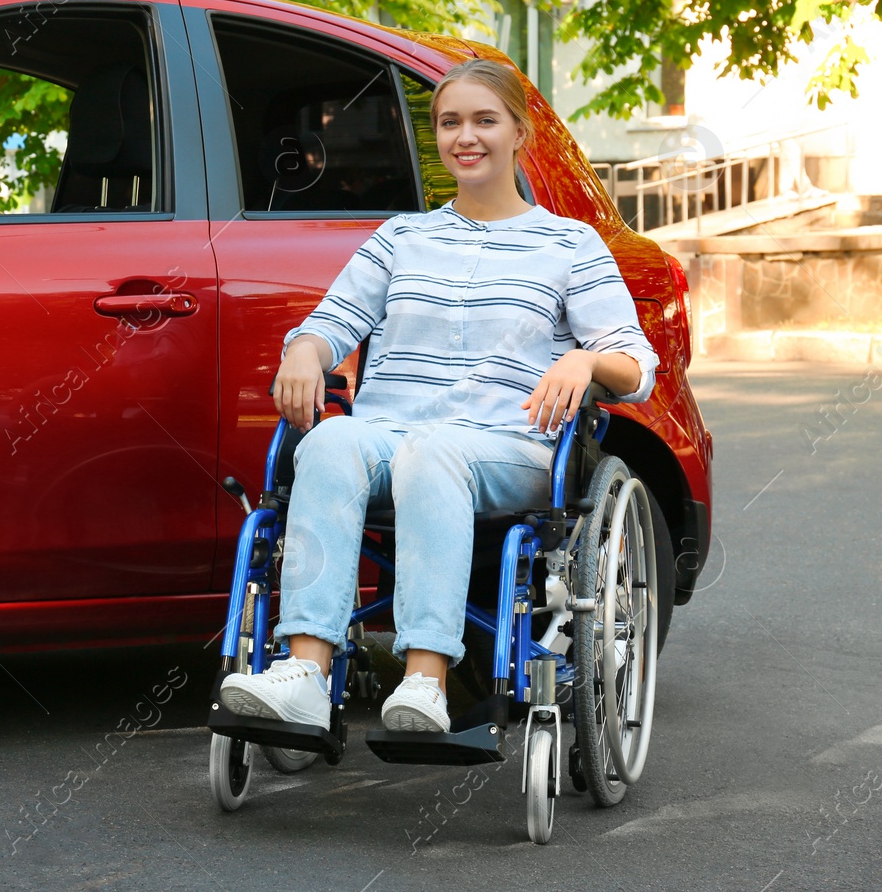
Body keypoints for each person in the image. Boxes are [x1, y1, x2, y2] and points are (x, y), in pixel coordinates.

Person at [219, 58, 660, 734]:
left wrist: (586, 357)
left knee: (435, 449)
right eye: (451, 122)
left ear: (520, 133)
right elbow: (329, 324)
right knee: (332, 437)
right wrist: (303, 352)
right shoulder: (403, 236)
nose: (467, 136)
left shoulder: (569, 245)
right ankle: (305, 670)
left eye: (486, 120)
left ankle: (426, 681)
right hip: (391, 432)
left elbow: (637, 366)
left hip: (504, 446)